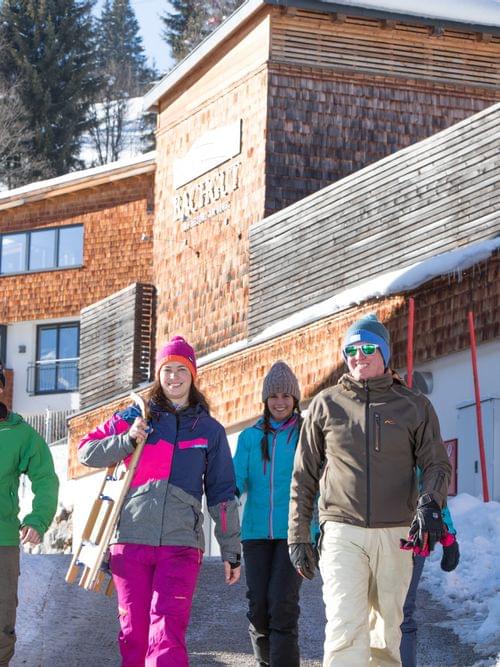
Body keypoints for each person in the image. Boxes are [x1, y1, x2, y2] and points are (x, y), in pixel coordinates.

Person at [287, 313, 452, 666]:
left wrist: (431, 502)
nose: (358, 356)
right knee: (345, 626)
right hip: (342, 529)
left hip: (396, 532)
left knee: (386, 632)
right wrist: (298, 535)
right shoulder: (325, 405)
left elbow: (437, 463)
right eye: (351, 349)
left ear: (385, 354)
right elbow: (304, 476)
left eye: (367, 348)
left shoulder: (413, 405)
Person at [78, 336, 241, 667]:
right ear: (158, 374)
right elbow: (86, 450)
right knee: (133, 637)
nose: (174, 377)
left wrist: (230, 550)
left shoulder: (209, 430)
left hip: (180, 547)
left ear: (193, 374)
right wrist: (126, 439)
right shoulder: (137, 416)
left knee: (166, 634)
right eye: (167, 370)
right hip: (131, 543)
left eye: (181, 369)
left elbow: (222, 492)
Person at [233, 361, 310, 667]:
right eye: (274, 395)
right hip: (255, 535)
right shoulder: (250, 438)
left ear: (295, 399)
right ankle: (265, 662)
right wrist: (226, 497)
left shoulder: (306, 435)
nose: (280, 401)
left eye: (286, 395)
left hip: (294, 534)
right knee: (259, 608)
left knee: (283, 606)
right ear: (265, 399)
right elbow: (238, 477)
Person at [0, 361, 59, 666]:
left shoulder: (20, 434)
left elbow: (45, 478)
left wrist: (38, 519)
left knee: (1, 622)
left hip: (3, 542)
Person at [400, 492, 460, 667]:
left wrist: (447, 531)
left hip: (411, 532)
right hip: (356, 532)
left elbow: (432, 484)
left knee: (399, 613)